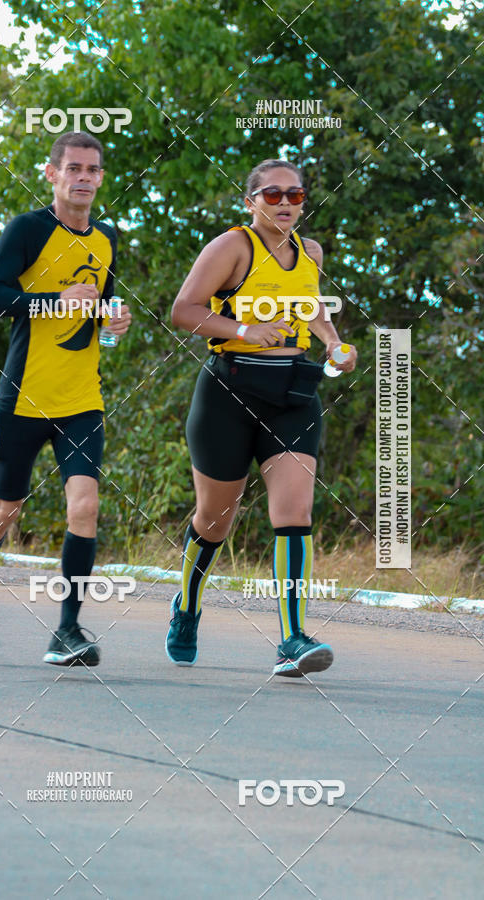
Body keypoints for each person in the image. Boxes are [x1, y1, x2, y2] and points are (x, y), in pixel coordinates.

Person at [165, 158, 357, 676]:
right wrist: (244, 330)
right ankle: (186, 606)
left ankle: (292, 639)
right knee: (215, 520)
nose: (286, 203)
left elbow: (311, 306)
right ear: (250, 201)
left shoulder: (310, 252)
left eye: (295, 195)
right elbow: (184, 311)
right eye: (273, 195)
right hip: (228, 391)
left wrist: (334, 342)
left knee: (295, 512)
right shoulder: (233, 247)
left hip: (293, 394)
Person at [0, 131, 131, 666]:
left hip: (81, 401)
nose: (83, 178)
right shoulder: (28, 229)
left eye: (92, 170)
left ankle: (67, 630)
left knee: (85, 506)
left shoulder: (107, 238)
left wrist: (111, 323)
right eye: (73, 168)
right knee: (4, 510)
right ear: (51, 174)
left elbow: (96, 309)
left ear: (101, 178)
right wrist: (55, 298)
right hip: (23, 400)